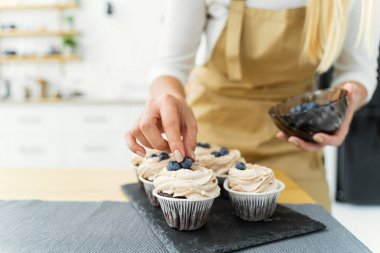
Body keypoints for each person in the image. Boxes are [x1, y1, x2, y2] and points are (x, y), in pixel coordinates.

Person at [126, 0, 380, 210]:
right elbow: (171, 66)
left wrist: (348, 100)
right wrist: (171, 98)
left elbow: (357, 69)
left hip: (292, 145)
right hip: (208, 146)